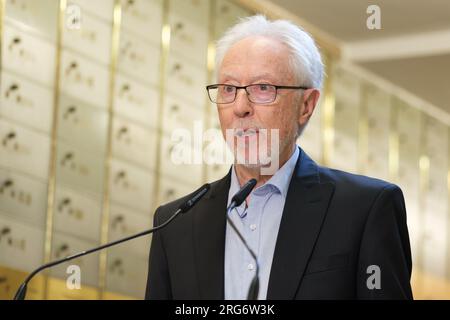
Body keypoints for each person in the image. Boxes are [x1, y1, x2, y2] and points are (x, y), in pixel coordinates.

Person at [145, 15, 413, 300]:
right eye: (228, 89)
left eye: (262, 88)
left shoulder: (366, 209)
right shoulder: (174, 223)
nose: (240, 107)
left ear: (306, 105)